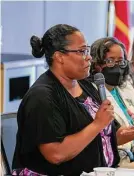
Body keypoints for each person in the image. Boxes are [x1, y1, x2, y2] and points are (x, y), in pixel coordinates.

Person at [12, 24, 120, 176]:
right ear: (59, 57)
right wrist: (97, 124)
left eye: (87, 50)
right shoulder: (42, 97)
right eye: (82, 51)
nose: (88, 56)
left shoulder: (86, 85)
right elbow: (56, 154)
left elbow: (102, 139)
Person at [89, 37, 134, 163]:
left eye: (120, 61)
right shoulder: (92, 92)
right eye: (109, 61)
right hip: (121, 160)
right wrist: (133, 148)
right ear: (97, 64)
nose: (116, 66)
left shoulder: (126, 87)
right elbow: (106, 135)